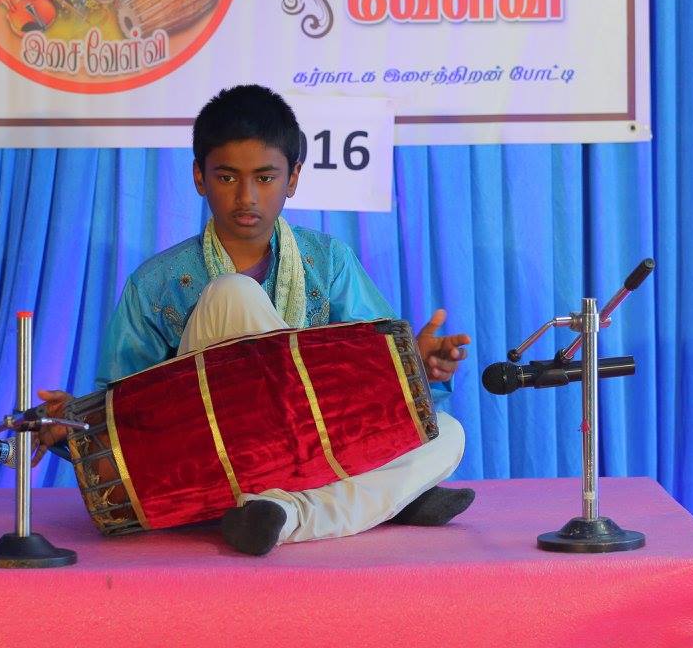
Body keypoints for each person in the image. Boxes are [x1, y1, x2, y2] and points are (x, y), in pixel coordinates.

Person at [37, 84, 473, 555]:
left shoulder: (329, 263)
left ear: (293, 178)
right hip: (209, 457)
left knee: (448, 434)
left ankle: (281, 513)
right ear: (199, 177)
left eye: (265, 178)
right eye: (227, 177)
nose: (246, 196)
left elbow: (379, 387)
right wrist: (73, 420)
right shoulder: (157, 282)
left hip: (320, 450)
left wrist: (415, 366)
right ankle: (382, 500)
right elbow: (123, 406)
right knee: (232, 292)